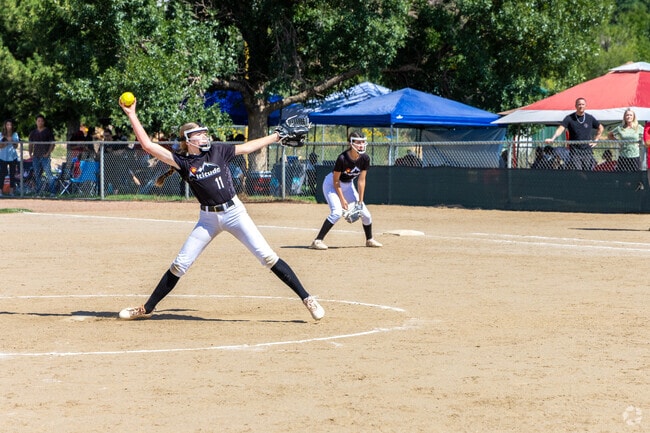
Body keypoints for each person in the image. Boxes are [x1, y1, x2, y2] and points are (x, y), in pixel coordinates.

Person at [117, 97, 324, 321]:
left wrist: (276, 135)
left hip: (235, 213)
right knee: (180, 264)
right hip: (208, 219)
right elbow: (148, 145)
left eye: (204, 132)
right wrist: (132, 114)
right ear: (188, 140)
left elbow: (247, 147)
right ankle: (146, 308)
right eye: (199, 133)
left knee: (267, 256)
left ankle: (307, 298)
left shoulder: (217, 150)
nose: (205, 136)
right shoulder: (182, 161)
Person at [309, 131, 382, 250]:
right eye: (358, 142)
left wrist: (360, 202)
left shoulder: (365, 158)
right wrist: (342, 200)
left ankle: (369, 240)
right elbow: (336, 181)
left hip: (348, 185)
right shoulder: (342, 158)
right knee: (337, 213)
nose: (361, 145)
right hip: (332, 185)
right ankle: (317, 241)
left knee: (366, 215)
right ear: (350, 143)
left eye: (363, 142)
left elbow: (361, 181)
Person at [545, 97, 604, 170]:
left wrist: (596, 140)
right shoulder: (569, 118)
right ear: (575, 106)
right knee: (578, 171)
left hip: (587, 151)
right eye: (579, 104)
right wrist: (552, 138)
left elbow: (601, 127)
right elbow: (560, 129)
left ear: (586, 106)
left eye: (583, 104)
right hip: (575, 151)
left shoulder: (590, 118)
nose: (581, 106)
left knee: (587, 171)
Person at [28, 114, 56, 194]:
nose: (40, 122)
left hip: (45, 157)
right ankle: (38, 192)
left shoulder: (48, 131)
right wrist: (30, 153)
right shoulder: (33, 132)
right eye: (38, 121)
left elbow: (52, 144)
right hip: (36, 156)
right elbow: (30, 144)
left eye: (41, 121)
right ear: (36, 122)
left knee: (48, 174)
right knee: (37, 175)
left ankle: (52, 192)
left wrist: (48, 153)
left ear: (44, 122)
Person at [0, 120, 20, 196]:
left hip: (12, 157)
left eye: (10, 125)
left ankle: (11, 192)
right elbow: (1, 146)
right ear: (5, 126)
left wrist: (7, 141)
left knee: (12, 174)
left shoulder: (15, 134)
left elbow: (15, 146)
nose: (9, 126)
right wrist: (8, 141)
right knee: (2, 174)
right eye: (7, 125)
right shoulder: (1, 134)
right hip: (3, 157)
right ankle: (0, 192)